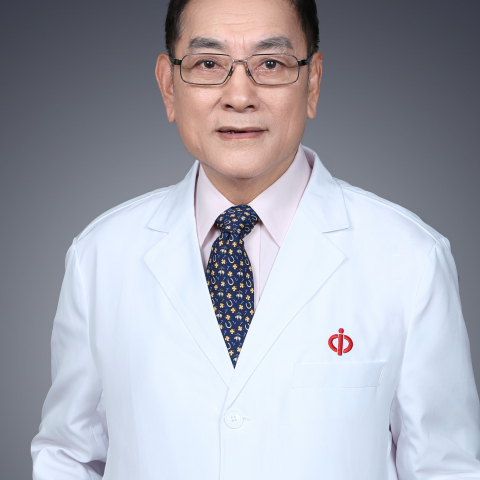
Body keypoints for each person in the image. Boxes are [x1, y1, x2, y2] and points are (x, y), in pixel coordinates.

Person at [31, 0, 480, 478]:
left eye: (270, 64)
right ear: (168, 86)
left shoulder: (410, 259)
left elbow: (444, 468)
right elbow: (70, 455)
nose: (240, 96)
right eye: (208, 64)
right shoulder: (100, 257)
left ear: (313, 82)